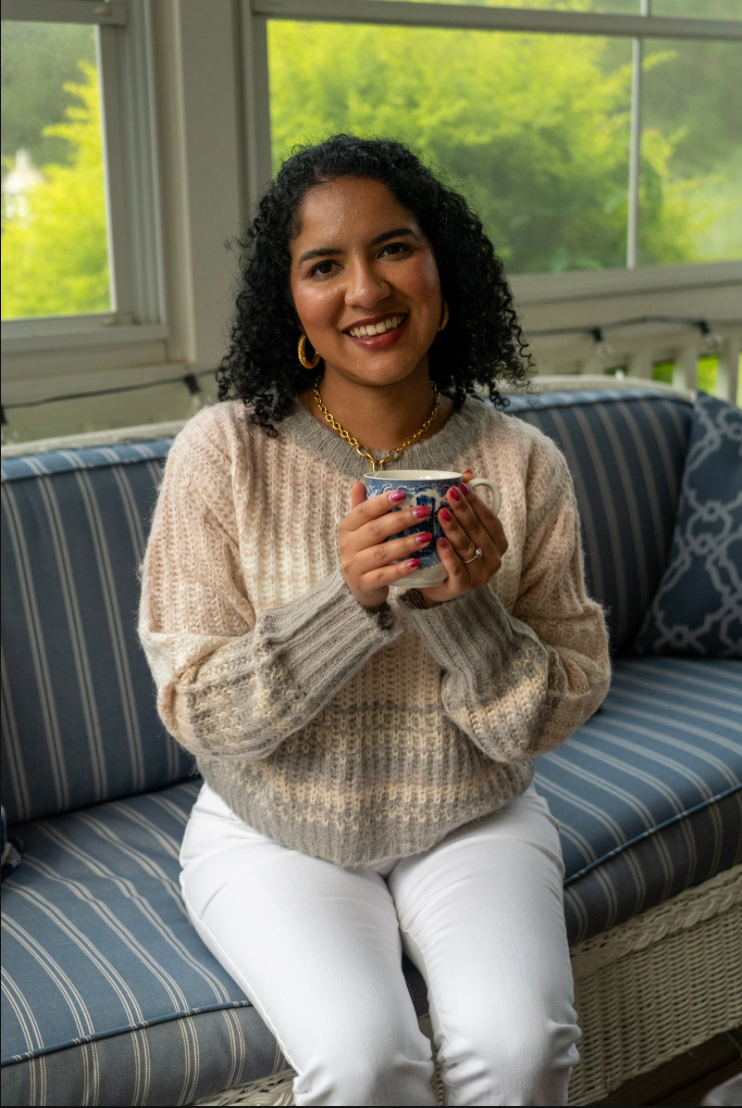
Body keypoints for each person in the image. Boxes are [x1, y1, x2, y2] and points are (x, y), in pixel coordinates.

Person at [139, 134, 610, 1107]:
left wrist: (467, 616)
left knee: (522, 1046)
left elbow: (559, 705)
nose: (366, 288)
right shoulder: (223, 452)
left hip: (472, 812)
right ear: (296, 307)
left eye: (393, 248)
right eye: (324, 265)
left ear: (442, 269)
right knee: (366, 1064)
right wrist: (343, 604)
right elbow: (196, 706)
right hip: (271, 826)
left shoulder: (523, 463)